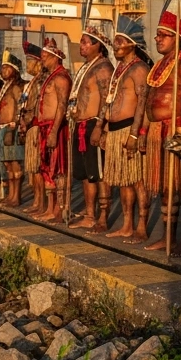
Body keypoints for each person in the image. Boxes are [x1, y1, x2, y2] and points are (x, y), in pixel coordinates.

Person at [135, 2, 181, 251]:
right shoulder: (158, 65)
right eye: (157, 35)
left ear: (177, 38)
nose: (157, 39)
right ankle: (168, 236)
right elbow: (148, 101)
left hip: (177, 131)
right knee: (165, 185)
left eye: (163, 35)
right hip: (156, 132)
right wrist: (142, 131)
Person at [103, 17, 150, 239]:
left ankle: (142, 226)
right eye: (115, 41)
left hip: (129, 129)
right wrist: (103, 129)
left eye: (120, 41)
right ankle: (127, 224)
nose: (116, 45)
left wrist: (134, 133)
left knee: (137, 180)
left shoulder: (139, 69)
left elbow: (142, 102)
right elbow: (110, 100)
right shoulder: (119, 69)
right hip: (114, 131)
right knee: (122, 181)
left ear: (132, 44)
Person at [68, 21, 114, 231]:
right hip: (81, 126)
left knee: (99, 173)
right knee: (86, 175)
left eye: (86, 42)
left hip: (94, 125)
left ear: (98, 45)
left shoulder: (104, 67)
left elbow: (107, 99)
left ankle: (103, 217)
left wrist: (100, 127)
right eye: (82, 42)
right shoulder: (87, 67)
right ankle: (89, 215)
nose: (82, 45)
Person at [32, 39, 71, 222]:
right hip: (44, 128)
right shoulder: (49, 76)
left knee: (58, 169)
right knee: (46, 169)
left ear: (55, 57)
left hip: (55, 127)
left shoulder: (61, 78)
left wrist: (54, 131)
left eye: (46, 57)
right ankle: (49, 207)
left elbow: (62, 106)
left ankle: (59, 210)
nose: (43, 61)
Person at [19, 39, 48, 214]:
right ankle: (37, 201)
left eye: (30, 61)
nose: (28, 65)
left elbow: (37, 106)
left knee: (38, 168)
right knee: (33, 169)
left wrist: (27, 120)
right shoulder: (31, 82)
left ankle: (42, 203)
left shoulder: (41, 81)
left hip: (36, 127)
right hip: (29, 127)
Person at [0, 51, 27, 205]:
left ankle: (16, 196)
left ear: (14, 70)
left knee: (15, 164)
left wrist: (16, 123)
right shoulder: (5, 86)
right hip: (3, 128)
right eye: (2, 68)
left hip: (12, 129)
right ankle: (10, 195)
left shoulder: (17, 87)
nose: (3, 71)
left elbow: (21, 106)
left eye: (7, 68)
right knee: (7, 164)